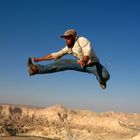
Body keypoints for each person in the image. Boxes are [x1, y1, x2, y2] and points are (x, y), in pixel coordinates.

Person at [27, 29, 110, 89]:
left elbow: (88, 50)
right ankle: (36, 69)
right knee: (63, 62)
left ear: (74, 37)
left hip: (93, 65)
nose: (66, 40)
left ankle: (101, 81)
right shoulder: (68, 48)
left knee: (105, 76)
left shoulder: (81, 40)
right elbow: (54, 55)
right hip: (80, 64)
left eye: (68, 38)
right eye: (65, 39)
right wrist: (40, 59)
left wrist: (84, 60)